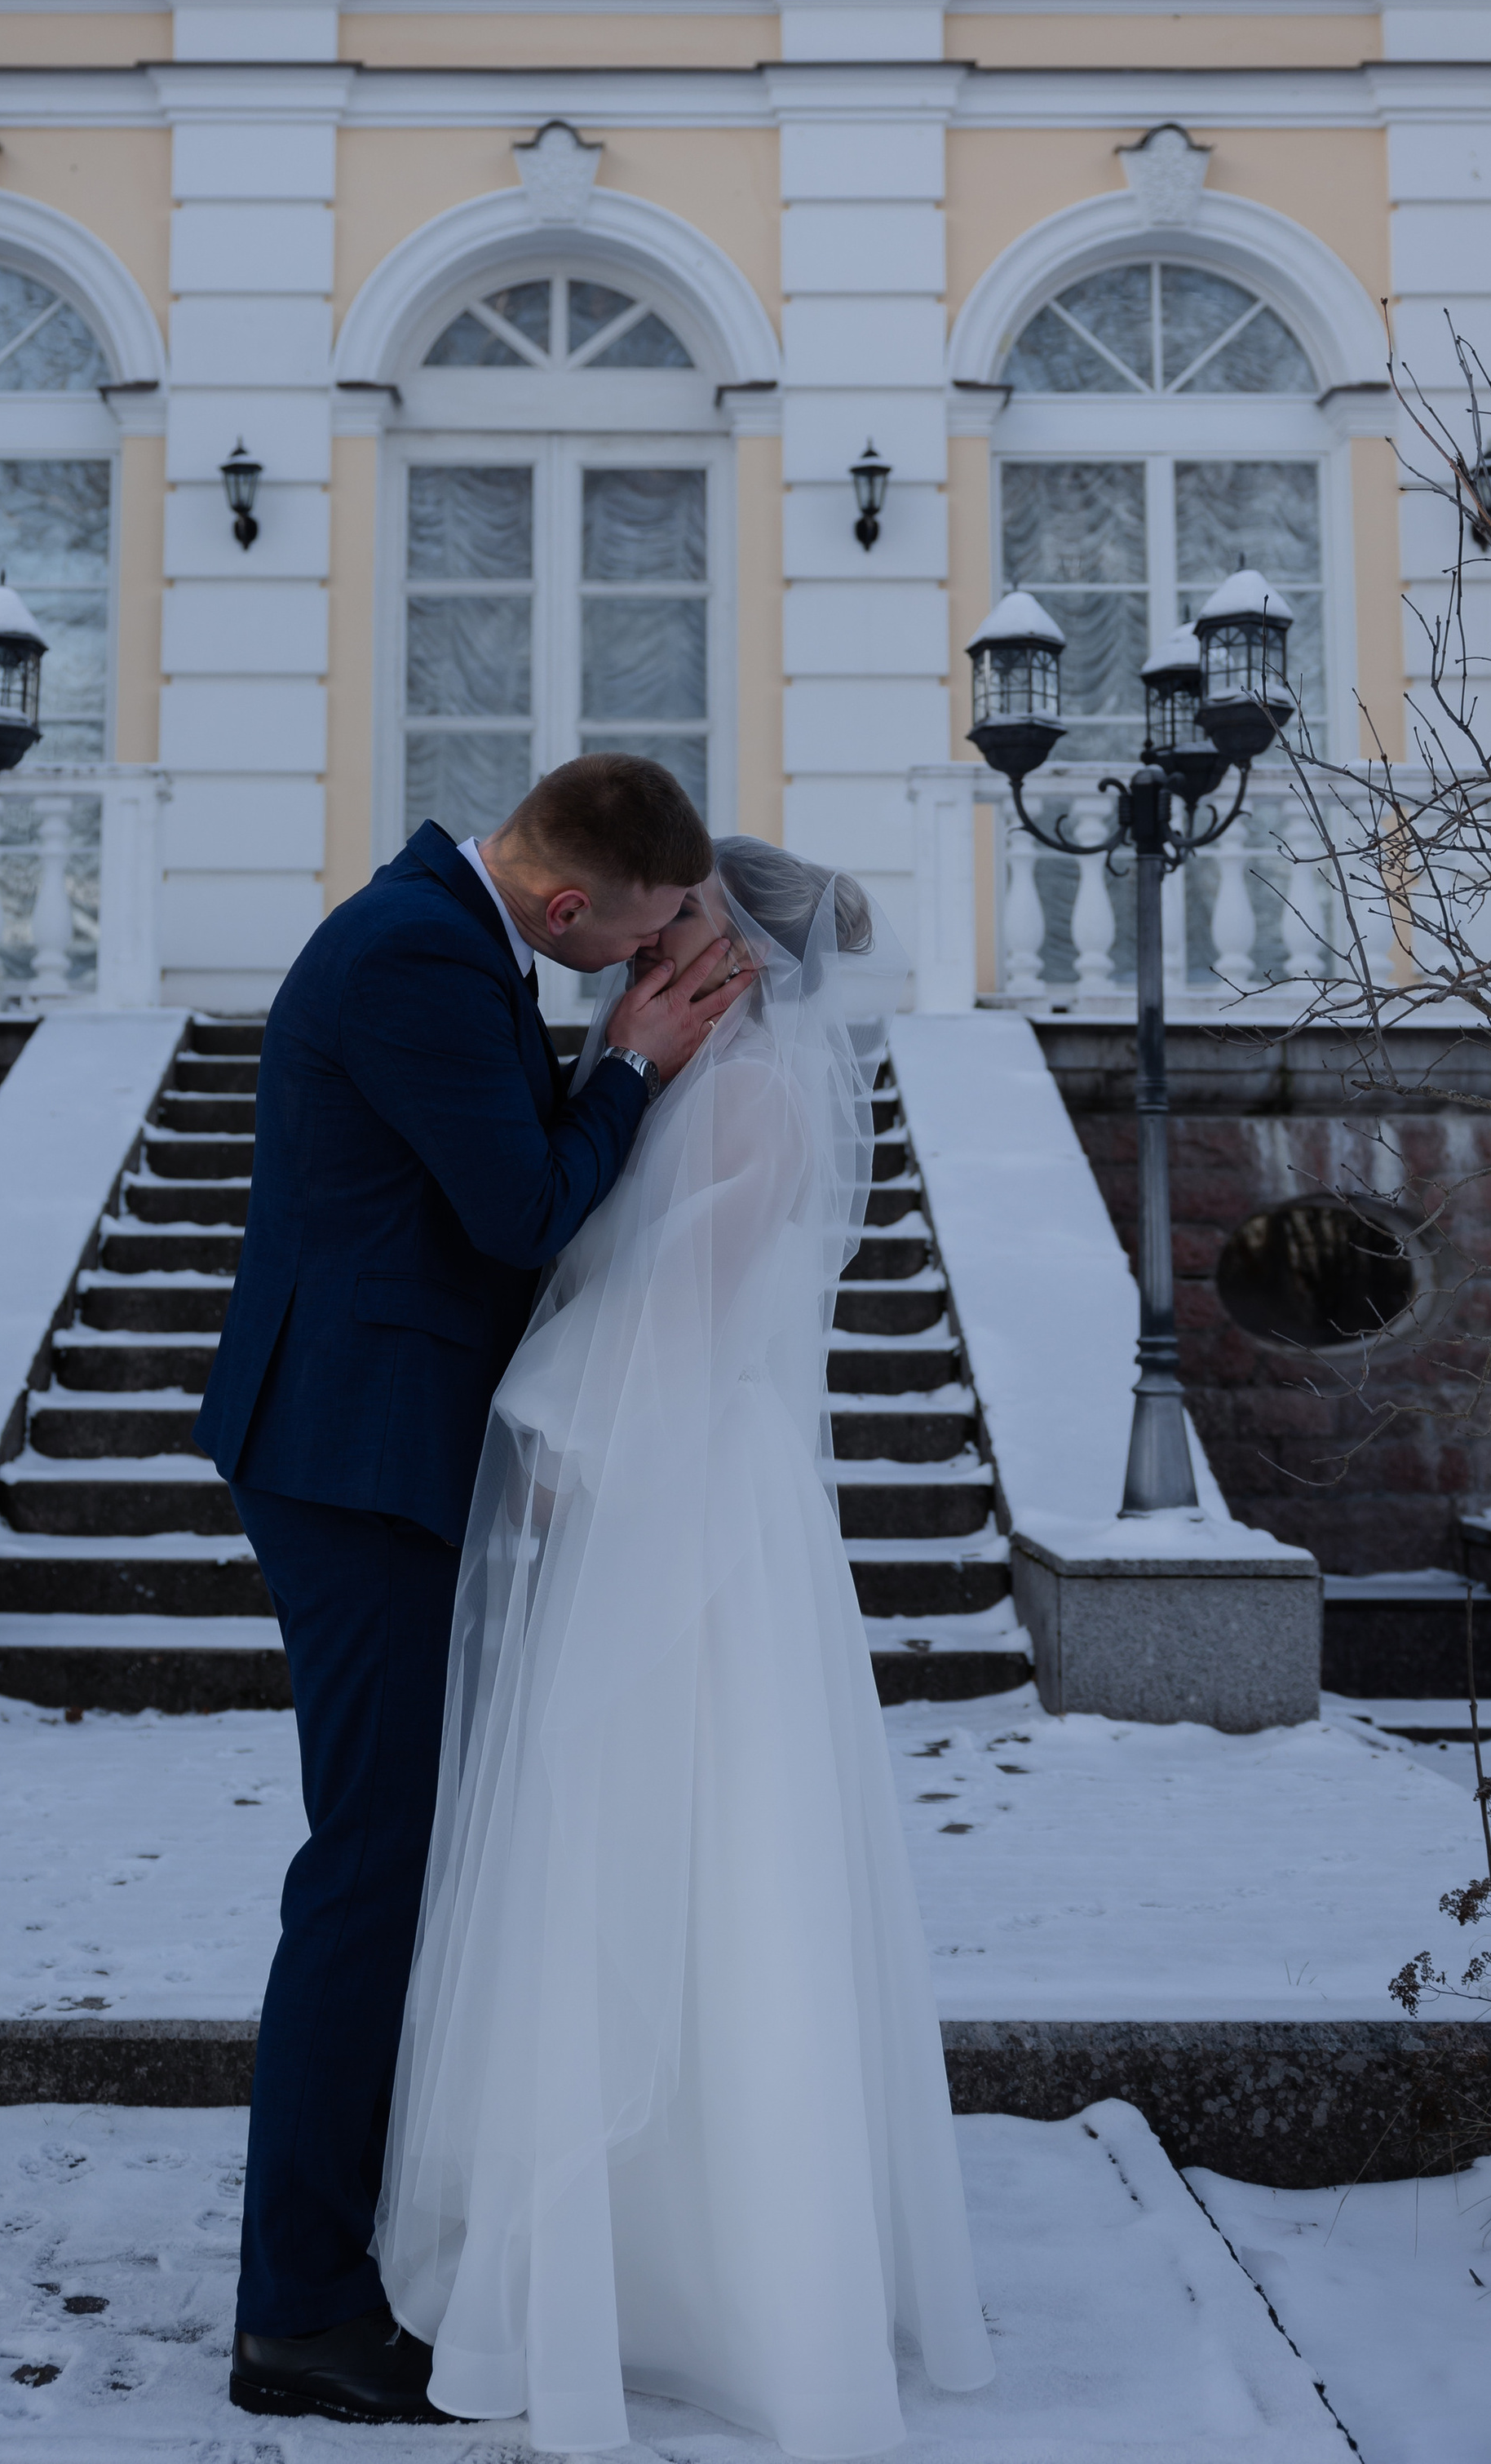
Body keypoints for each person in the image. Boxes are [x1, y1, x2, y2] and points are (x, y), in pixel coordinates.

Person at [377, 840, 995, 2455]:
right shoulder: (690, 1089)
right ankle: (641, 2252)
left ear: (747, 964)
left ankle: (718, 2274)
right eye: (660, 931)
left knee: (691, 1865)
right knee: (642, 1860)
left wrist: (544, 1441)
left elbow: (674, 1329)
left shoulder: (746, 1106)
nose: (659, 955)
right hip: (676, 1493)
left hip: (682, 1512)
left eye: (690, 933)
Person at [193, 753, 752, 2423]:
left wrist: (607, 1055)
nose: (648, 970)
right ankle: (294, 2313)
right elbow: (516, 1210)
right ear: (569, 901)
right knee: (367, 1874)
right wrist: (640, 1068)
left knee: (397, 1865)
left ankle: (344, 2250)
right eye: (643, 938)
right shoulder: (414, 952)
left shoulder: (449, 931)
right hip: (355, 1455)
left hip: (381, 1443)